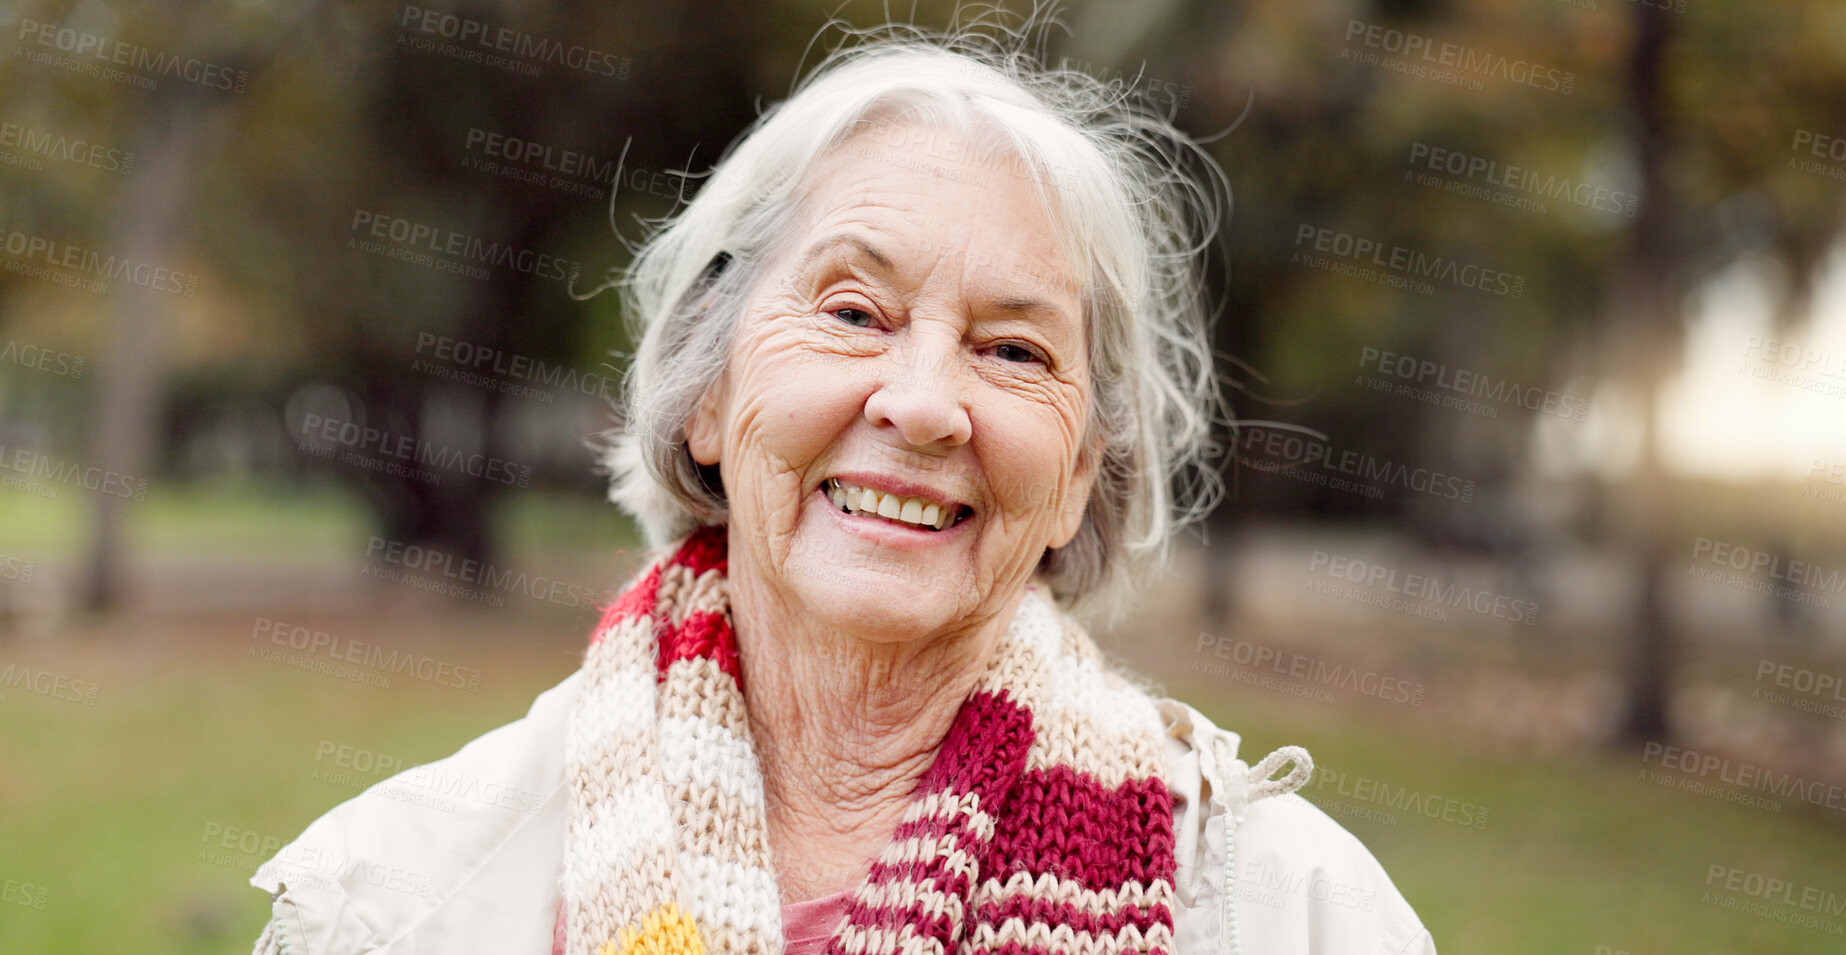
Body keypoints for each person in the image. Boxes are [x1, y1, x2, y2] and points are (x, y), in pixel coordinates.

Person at [250, 22, 1435, 955]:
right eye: (854, 312)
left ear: (1078, 475)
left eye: (1014, 350)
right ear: (706, 393)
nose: (922, 405)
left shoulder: (1299, 916)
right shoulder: (391, 902)